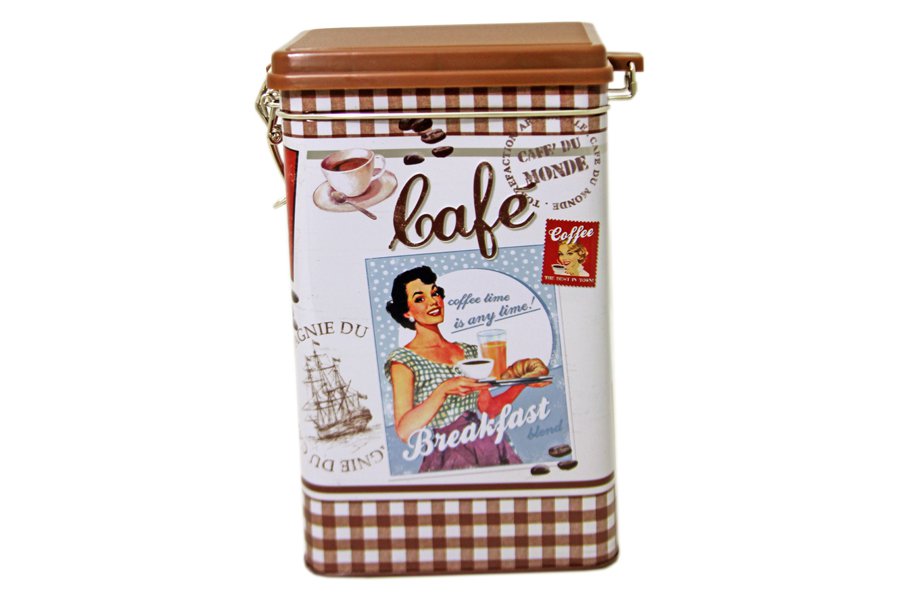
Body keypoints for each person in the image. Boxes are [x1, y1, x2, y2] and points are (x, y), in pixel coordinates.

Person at [384, 266, 547, 472]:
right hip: (449, 450)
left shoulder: (467, 350)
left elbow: (488, 409)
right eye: (420, 298)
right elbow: (404, 430)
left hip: (488, 442)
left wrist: (523, 382)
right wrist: (442, 391)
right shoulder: (404, 360)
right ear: (407, 312)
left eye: (435, 293)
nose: (433, 301)